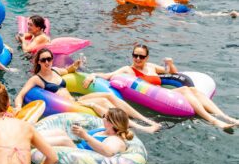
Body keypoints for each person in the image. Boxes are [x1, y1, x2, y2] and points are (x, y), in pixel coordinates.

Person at [83, 44, 239, 129]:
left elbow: (174, 75)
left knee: (191, 89)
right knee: (186, 90)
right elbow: (107, 75)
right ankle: (213, 120)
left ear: (146, 57)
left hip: (165, 94)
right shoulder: (127, 70)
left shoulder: (151, 67)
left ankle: (224, 117)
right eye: (135, 55)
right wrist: (91, 75)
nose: (137, 59)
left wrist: (170, 64)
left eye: (141, 56)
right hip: (154, 98)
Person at [14, 48, 162, 133]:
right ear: (38, 62)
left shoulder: (56, 71)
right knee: (103, 102)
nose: (47, 62)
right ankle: (141, 128)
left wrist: (76, 65)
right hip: (68, 106)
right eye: (43, 60)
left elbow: (68, 71)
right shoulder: (37, 79)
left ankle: (146, 120)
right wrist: (18, 107)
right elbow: (21, 94)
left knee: (108, 96)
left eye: (49, 59)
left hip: (76, 100)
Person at [41, 107, 134, 157]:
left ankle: (32, 142)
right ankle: (32, 136)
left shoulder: (115, 140)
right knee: (60, 132)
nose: (102, 117)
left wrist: (85, 136)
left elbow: (108, 152)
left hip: (81, 155)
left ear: (112, 123)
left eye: (105, 116)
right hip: (77, 148)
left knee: (64, 140)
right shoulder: (104, 129)